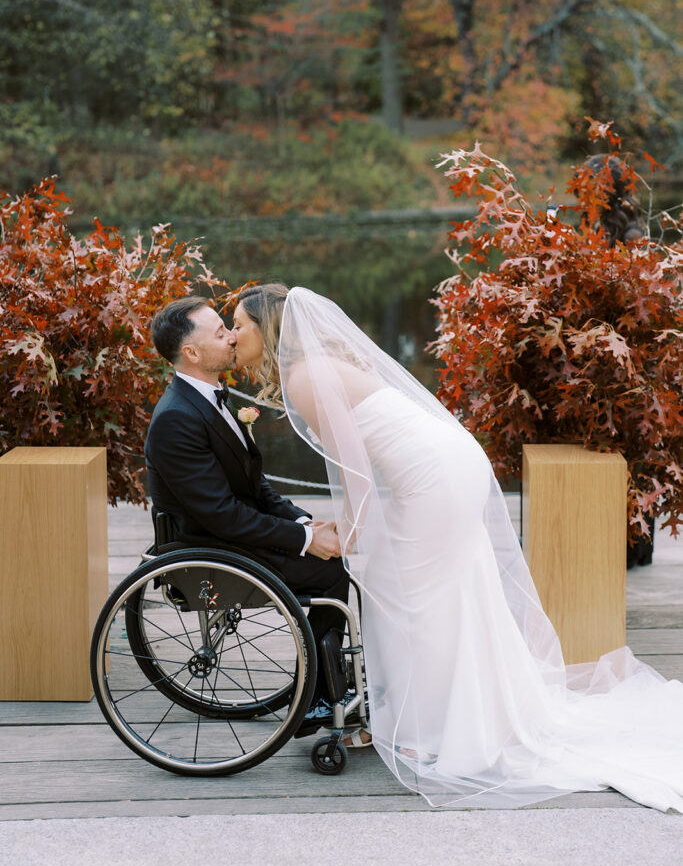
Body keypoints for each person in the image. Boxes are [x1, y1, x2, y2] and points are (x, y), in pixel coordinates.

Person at [230, 283, 683, 812]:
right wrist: (352, 522)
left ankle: (438, 730)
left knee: (416, 601)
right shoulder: (316, 366)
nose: (234, 335)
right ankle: (440, 715)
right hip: (440, 468)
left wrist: (351, 531)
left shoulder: (305, 377)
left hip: (432, 479)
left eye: (239, 324)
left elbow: (353, 462)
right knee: (440, 594)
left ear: (267, 328)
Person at [144, 295, 349, 735]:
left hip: (228, 536)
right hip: (210, 550)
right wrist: (309, 542)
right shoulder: (176, 419)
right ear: (192, 353)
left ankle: (329, 684)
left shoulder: (209, 398)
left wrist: (302, 522)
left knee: (329, 557)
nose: (233, 335)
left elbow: (255, 487)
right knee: (330, 572)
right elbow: (222, 515)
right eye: (220, 332)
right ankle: (318, 699)